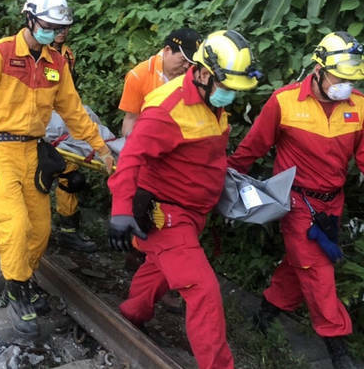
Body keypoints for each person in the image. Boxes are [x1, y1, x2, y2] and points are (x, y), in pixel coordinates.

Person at [0, 0, 115, 337]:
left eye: (58, 28)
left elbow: (73, 111)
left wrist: (101, 147)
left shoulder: (56, 64)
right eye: (47, 25)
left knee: (40, 230)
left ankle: (23, 278)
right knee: (14, 225)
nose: (53, 33)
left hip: (34, 153)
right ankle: (17, 289)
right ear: (30, 19)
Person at [228, 31, 364, 369]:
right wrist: (223, 184)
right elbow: (251, 148)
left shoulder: (359, 107)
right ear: (319, 69)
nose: (346, 85)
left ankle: (265, 314)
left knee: (301, 266)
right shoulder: (284, 102)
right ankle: (338, 349)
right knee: (317, 272)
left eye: (351, 79)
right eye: (340, 77)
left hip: (331, 206)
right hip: (296, 205)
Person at [108, 29, 260, 369]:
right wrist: (121, 210)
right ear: (204, 73)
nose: (231, 96)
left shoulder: (211, 101)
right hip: (166, 214)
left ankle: (131, 313)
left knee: (158, 270)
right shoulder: (168, 108)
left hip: (194, 212)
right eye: (227, 88)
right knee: (202, 291)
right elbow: (131, 157)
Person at [49, 26, 97, 252]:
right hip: (38, 120)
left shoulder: (67, 54)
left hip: (61, 119)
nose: (61, 32)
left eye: (64, 28)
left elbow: (68, 91)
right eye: (56, 28)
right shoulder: (36, 52)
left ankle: (68, 230)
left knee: (71, 178)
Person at [118, 28, 201, 137]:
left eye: (190, 62)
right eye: (183, 60)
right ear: (167, 50)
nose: (186, 66)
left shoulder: (195, 74)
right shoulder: (139, 75)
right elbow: (131, 118)